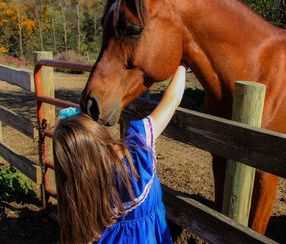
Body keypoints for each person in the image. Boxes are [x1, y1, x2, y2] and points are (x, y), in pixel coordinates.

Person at [52, 63, 187, 244]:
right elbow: (172, 99)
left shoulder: (79, 196)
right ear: (98, 132)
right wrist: (182, 65)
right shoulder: (137, 154)